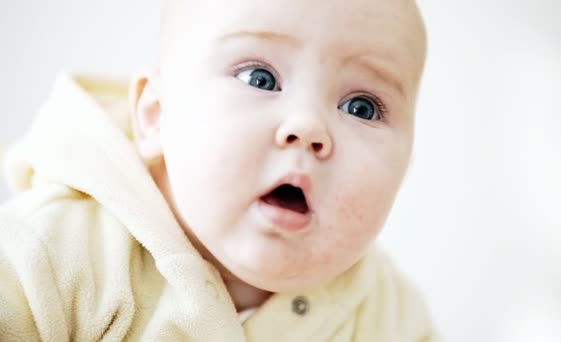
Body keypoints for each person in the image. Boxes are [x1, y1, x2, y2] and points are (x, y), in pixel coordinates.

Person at [0, 0, 435, 340]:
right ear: (155, 116)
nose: (308, 126)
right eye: (260, 78)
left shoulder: (389, 313)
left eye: (361, 108)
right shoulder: (52, 253)